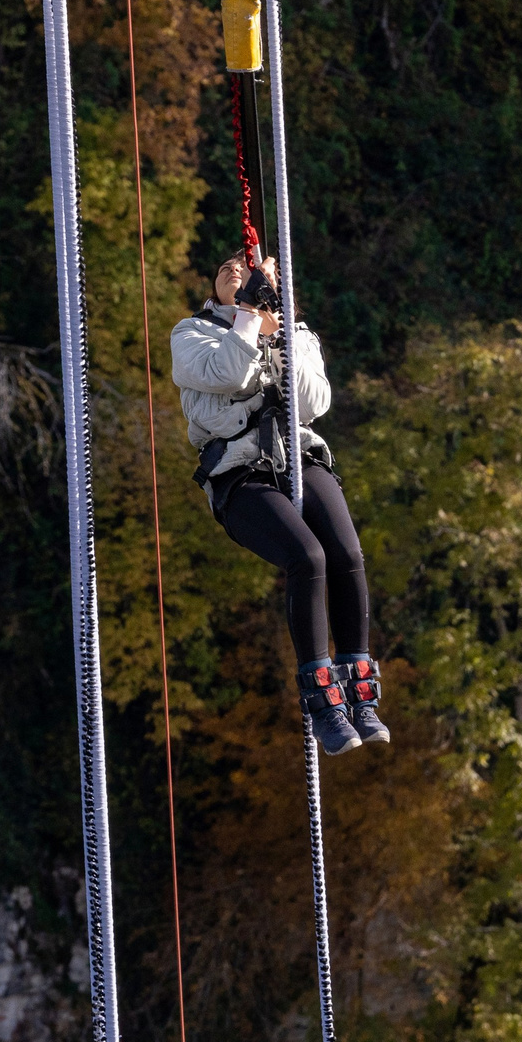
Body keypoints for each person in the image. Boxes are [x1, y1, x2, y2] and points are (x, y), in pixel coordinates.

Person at [170, 250, 387, 755]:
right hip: (239, 474)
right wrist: (247, 317)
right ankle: (323, 703)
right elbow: (229, 375)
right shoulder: (192, 334)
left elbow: (314, 404)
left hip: (299, 459)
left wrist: (280, 332)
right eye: (226, 267)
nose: (233, 268)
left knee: (347, 555)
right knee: (306, 557)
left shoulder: (299, 335)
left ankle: (359, 685)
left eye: (246, 271)